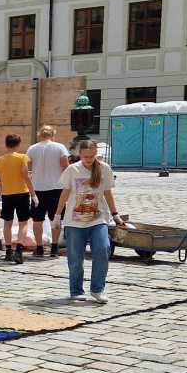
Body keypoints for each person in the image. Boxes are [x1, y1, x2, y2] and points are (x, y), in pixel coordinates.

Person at [55, 140, 119, 304]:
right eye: (85, 157)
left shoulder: (104, 168)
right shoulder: (73, 169)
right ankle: (76, 290)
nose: (89, 159)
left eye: (91, 156)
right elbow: (65, 193)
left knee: (103, 249)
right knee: (75, 258)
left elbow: (107, 193)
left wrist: (115, 214)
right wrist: (57, 215)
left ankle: (97, 289)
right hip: (74, 221)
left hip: (98, 218)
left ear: (96, 154)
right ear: (80, 154)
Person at [0, 134, 36, 264]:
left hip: (7, 194)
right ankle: (19, 250)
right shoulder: (22, 157)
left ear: (6, 144)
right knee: (23, 222)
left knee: (7, 223)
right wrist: (33, 194)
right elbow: (26, 176)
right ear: (18, 145)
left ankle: (8, 250)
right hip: (22, 193)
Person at [27, 126, 71, 257]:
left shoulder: (32, 148)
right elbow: (66, 166)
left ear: (39, 134)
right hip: (56, 188)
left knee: (37, 220)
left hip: (37, 188)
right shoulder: (60, 147)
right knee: (56, 218)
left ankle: (39, 247)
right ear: (53, 134)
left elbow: (28, 166)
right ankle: (54, 247)